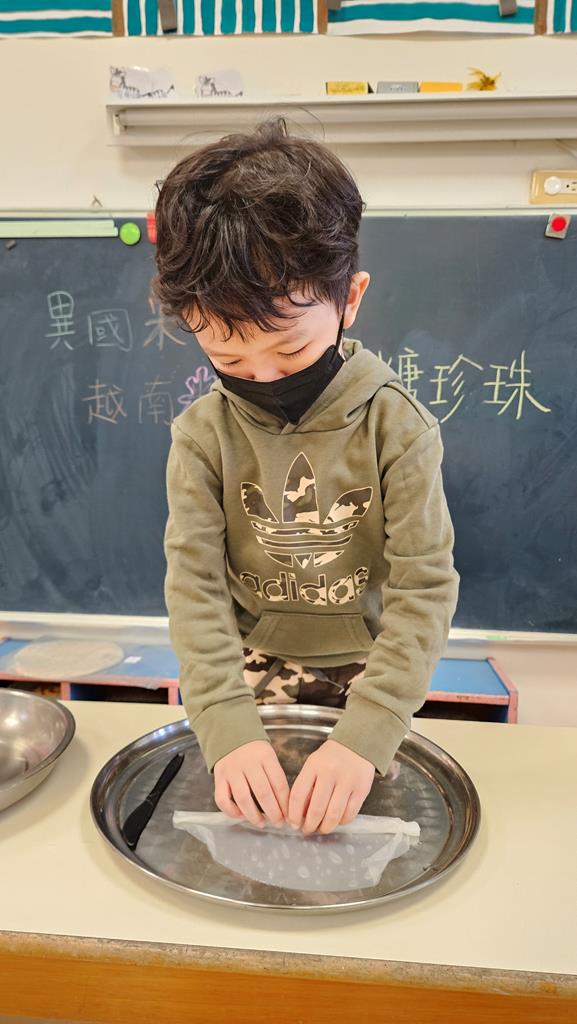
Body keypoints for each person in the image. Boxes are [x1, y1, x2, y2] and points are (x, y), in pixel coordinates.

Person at [152, 117, 460, 838]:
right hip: (247, 675)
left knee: (360, 839)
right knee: (252, 837)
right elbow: (194, 588)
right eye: (228, 360)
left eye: (289, 353)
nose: (262, 378)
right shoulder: (202, 435)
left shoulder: (397, 427)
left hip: (371, 674)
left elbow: (423, 587)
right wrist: (223, 719)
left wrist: (371, 728)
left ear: (349, 299)